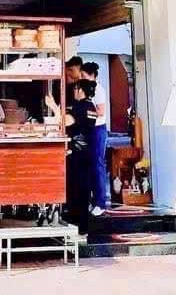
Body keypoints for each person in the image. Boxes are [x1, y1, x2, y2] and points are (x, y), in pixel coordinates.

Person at [64, 79, 97, 235]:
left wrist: (54, 107)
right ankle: (82, 227)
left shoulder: (81, 106)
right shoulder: (91, 107)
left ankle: (77, 227)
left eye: (75, 88)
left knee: (76, 191)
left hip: (78, 154)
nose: (73, 91)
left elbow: (66, 121)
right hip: (86, 153)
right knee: (83, 191)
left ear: (80, 90)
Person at [82, 62, 108, 215]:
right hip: (90, 129)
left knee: (98, 165)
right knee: (90, 166)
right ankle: (93, 200)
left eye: (84, 76)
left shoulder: (98, 90)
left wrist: (84, 114)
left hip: (98, 129)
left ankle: (101, 202)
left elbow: (101, 111)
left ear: (92, 76)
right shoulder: (87, 89)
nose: (82, 78)